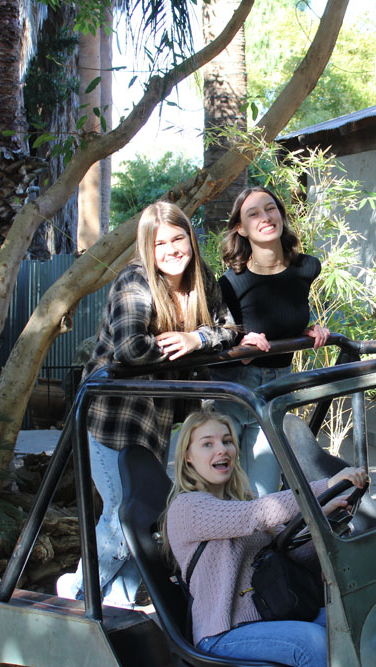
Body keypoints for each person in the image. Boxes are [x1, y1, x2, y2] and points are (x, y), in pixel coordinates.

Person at [57, 201, 238, 608]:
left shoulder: (199, 279)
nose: (173, 249)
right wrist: (187, 345)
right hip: (111, 416)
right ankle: (79, 593)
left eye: (178, 239)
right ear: (147, 247)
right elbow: (130, 348)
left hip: (154, 420)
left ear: (190, 239)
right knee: (125, 515)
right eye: (161, 243)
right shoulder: (134, 281)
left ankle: (115, 608)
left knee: (149, 517)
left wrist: (198, 340)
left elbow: (227, 328)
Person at [164, 406, 367, 667]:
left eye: (227, 441)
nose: (222, 449)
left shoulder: (241, 499)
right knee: (314, 643)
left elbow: (293, 552)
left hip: (271, 615)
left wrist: (322, 517)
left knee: (353, 621)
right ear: (188, 457)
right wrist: (322, 488)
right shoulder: (188, 507)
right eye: (207, 444)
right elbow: (252, 515)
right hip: (222, 634)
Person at [212, 186, 330, 497]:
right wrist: (239, 342)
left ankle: (258, 547)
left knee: (264, 493)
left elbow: (285, 317)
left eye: (271, 208)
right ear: (240, 227)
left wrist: (307, 331)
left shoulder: (306, 268)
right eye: (253, 213)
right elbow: (216, 335)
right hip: (237, 388)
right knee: (222, 491)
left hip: (278, 388)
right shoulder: (230, 283)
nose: (265, 217)